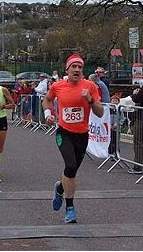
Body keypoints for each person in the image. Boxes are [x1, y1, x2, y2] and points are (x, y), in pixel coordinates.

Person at [44, 54, 104, 224]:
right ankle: (70, 208)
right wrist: (48, 114)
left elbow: (100, 112)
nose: (77, 69)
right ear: (67, 70)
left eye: (80, 67)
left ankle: (60, 188)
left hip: (82, 135)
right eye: (74, 67)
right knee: (70, 166)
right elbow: (47, 100)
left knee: (71, 172)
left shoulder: (91, 87)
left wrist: (91, 100)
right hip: (64, 133)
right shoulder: (57, 86)